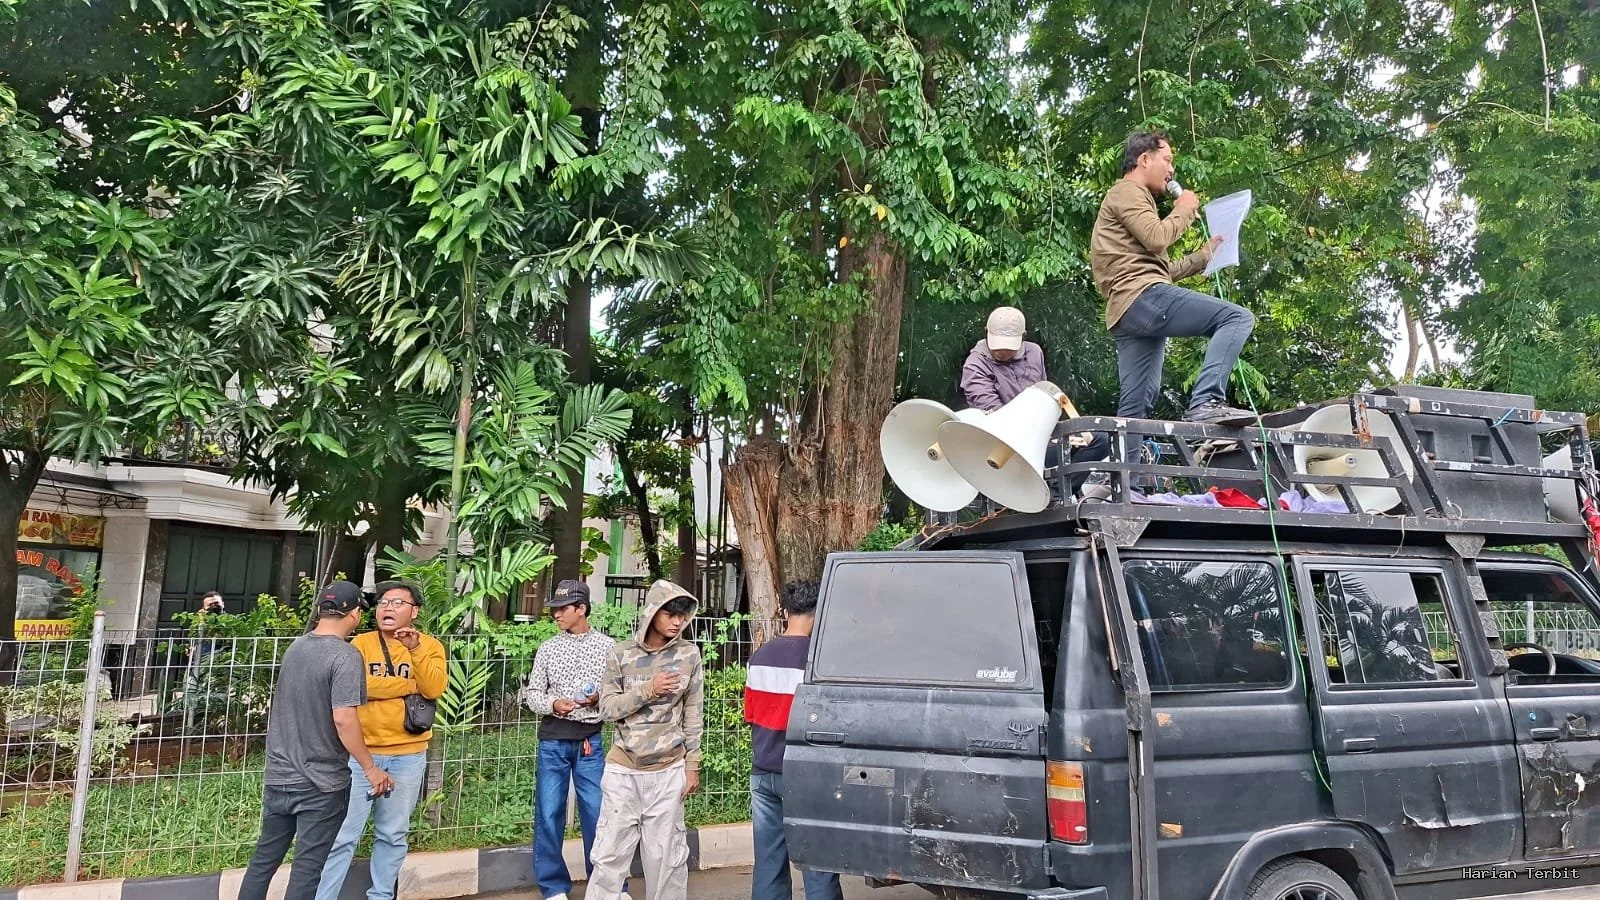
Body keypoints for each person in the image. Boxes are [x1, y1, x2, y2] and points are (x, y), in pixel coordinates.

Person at [239, 581, 394, 900]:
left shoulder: (296, 647)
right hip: (321, 784)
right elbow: (343, 717)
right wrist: (370, 768)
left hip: (279, 778)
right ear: (354, 614)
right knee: (307, 869)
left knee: (263, 862)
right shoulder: (346, 655)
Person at [1089, 129, 1256, 425]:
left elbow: (1158, 269)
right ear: (1144, 159)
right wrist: (1183, 209)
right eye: (1167, 160)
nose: (1171, 169)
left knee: (1136, 405)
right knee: (1237, 318)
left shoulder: (1131, 199)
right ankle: (1206, 401)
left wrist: (1203, 256)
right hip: (1142, 298)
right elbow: (1156, 238)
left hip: (1128, 309)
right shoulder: (1126, 191)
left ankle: (1120, 471)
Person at [316, 580, 447, 900]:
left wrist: (415, 651)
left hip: (409, 755)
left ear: (414, 612)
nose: (387, 608)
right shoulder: (358, 644)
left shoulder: (429, 646)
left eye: (397, 603)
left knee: (393, 834)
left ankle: (382, 896)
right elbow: (359, 687)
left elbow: (433, 689)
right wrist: (406, 686)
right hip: (361, 756)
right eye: (383, 603)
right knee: (343, 836)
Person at [585, 580, 705, 900]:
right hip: (624, 769)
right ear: (652, 613)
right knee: (610, 854)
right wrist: (648, 689)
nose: (678, 621)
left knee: (666, 857)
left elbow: (693, 713)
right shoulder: (621, 653)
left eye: (683, 615)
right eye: (671, 613)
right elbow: (608, 709)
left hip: (669, 768)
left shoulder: (689, 655)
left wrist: (692, 764)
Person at [519, 580, 621, 900]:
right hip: (553, 739)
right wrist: (553, 704)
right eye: (555, 610)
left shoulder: (608, 647)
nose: (557, 615)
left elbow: (619, 693)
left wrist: (598, 699)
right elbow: (532, 694)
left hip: (591, 739)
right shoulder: (548, 647)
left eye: (563, 608)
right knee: (549, 812)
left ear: (582, 609)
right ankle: (552, 887)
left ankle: (605, 884)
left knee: (598, 813)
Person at [744, 581, 843, 900]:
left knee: (769, 863)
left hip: (763, 772)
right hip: (807, 775)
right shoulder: (819, 661)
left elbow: (751, 715)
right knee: (818, 863)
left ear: (786, 612)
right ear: (819, 613)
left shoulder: (759, 657)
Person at [959, 306, 1048, 412]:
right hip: (994, 424)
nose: (1002, 352)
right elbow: (993, 412)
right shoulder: (975, 365)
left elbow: (1044, 394)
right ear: (986, 332)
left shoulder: (1034, 352)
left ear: (1023, 336)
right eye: (997, 346)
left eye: (1008, 348)